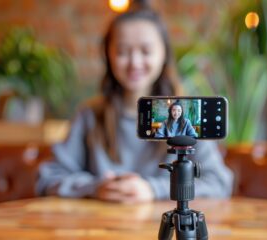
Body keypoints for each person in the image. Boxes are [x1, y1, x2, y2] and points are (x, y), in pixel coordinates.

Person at [36, 6, 233, 204]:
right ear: (108, 55)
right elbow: (47, 178)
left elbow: (219, 182)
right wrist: (95, 187)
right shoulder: (89, 115)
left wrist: (152, 189)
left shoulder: (188, 117)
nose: (135, 62)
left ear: (163, 54)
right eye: (122, 51)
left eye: (146, 51)